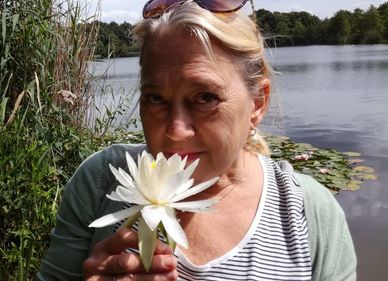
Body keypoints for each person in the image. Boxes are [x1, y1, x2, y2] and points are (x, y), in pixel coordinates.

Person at [37, 0, 357, 280]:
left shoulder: (313, 216)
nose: (176, 131)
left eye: (205, 97)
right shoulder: (99, 181)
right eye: (155, 99)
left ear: (257, 103)